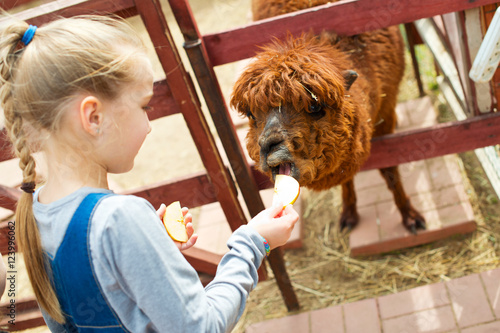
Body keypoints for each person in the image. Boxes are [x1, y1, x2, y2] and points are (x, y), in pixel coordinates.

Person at [0, 15, 299, 332]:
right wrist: (253, 243)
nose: (149, 125)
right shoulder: (119, 220)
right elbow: (202, 327)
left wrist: (152, 252)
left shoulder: (32, 214)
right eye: (144, 106)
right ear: (93, 117)